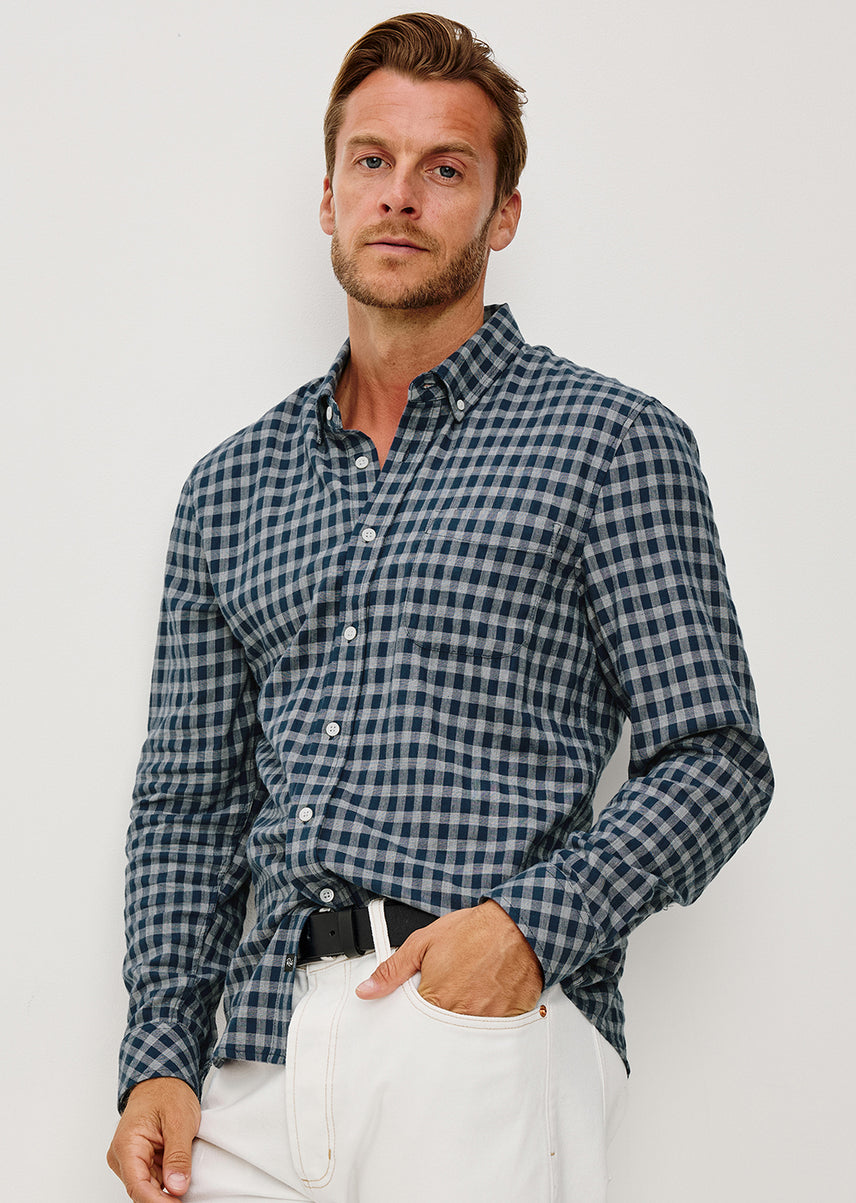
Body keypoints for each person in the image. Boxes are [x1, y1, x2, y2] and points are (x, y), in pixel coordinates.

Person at [107, 12, 773, 1203]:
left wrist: (524, 929)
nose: (400, 196)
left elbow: (717, 756)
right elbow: (187, 800)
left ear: (501, 214)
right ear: (327, 196)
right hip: (253, 1061)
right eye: (372, 161)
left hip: (472, 1034)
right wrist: (159, 1054)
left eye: (445, 168)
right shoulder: (230, 486)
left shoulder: (608, 444)